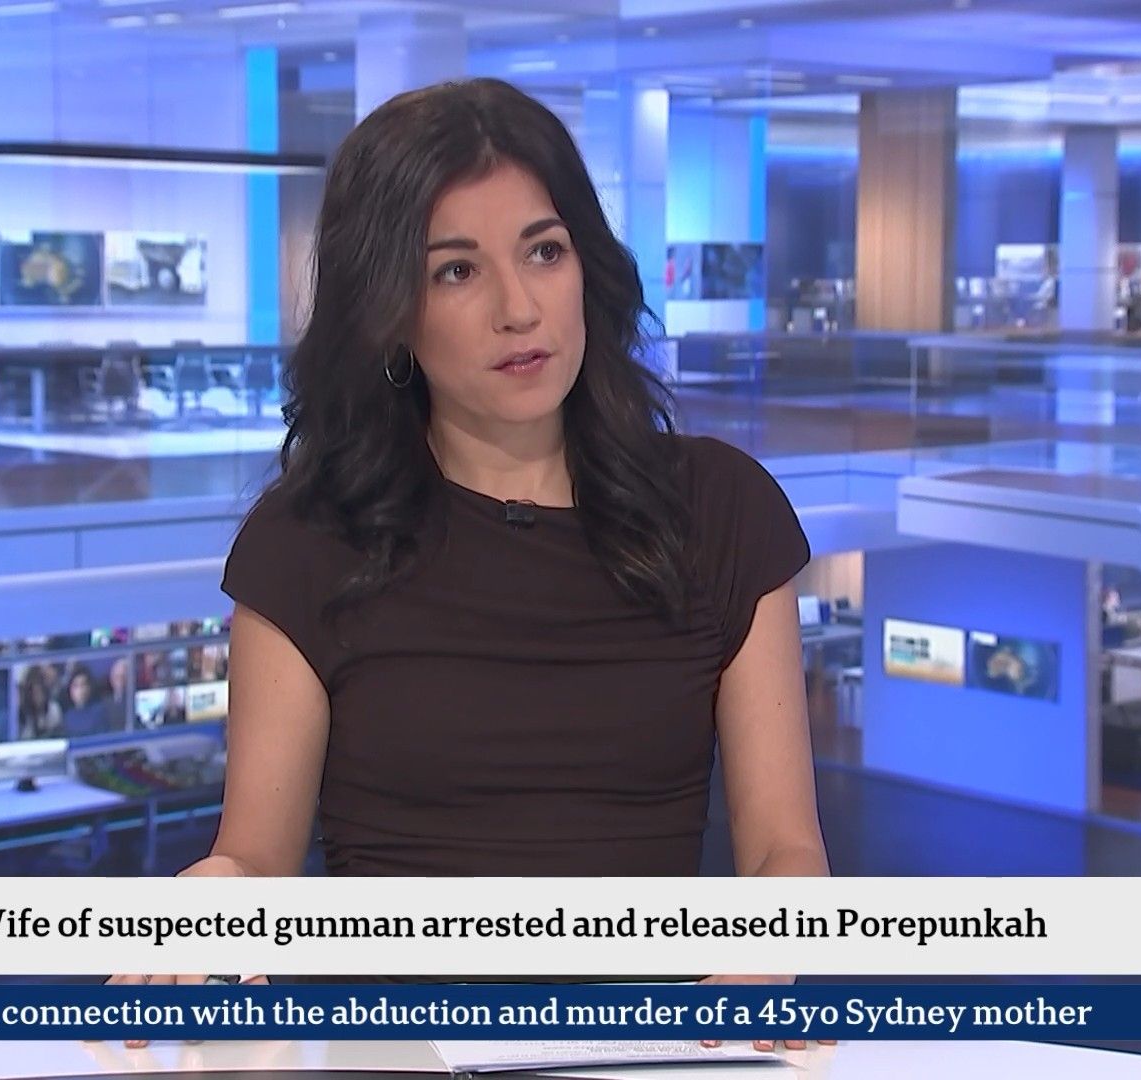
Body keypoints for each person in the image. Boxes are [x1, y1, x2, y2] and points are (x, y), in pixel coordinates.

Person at [109, 78, 831, 1052]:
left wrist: (768, 952)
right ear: (390, 312)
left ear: (588, 266)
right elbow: (255, 864)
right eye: (456, 271)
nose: (518, 308)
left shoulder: (721, 512)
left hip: (649, 1047)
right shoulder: (307, 543)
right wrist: (217, 893)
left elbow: (786, 849)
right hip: (392, 1049)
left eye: (544, 251)